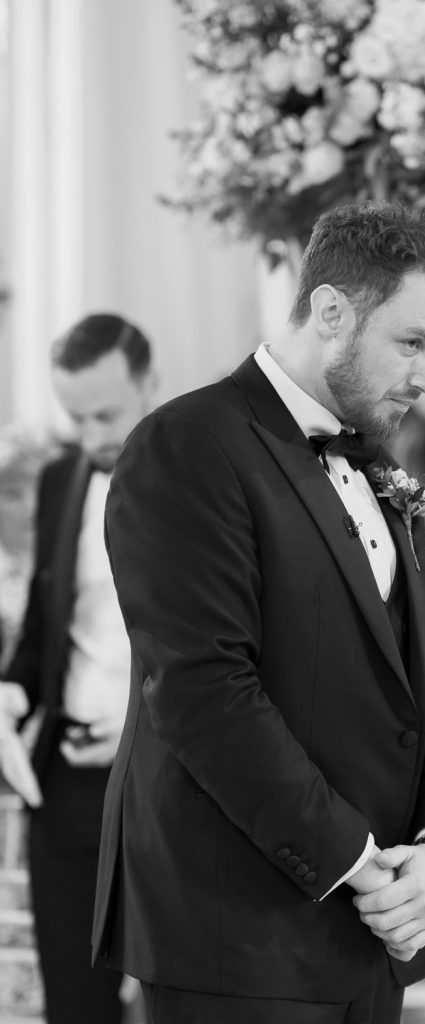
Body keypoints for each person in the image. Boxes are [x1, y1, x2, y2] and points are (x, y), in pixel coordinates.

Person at [93, 200, 425, 1024]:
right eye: (412, 342)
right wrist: (361, 863)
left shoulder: (378, 461)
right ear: (331, 310)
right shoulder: (187, 444)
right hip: (236, 930)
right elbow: (203, 689)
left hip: (373, 931)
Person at [0, 313, 157, 1024]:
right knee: (76, 1004)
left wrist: (138, 732)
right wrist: (9, 694)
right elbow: (44, 626)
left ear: (149, 385)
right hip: (66, 783)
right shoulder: (62, 480)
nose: (93, 436)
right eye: (76, 417)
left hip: (165, 783)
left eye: (106, 414)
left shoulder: (206, 481)